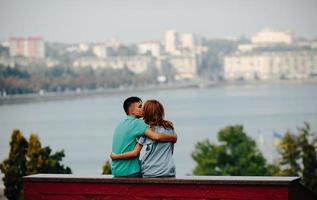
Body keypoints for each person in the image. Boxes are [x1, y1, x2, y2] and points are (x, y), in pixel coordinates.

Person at [111, 97, 177, 177]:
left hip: (117, 171)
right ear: (131, 110)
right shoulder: (141, 125)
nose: (143, 110)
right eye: (140, 107)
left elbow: (135, 151)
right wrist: (173, 138)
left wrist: (115, 156)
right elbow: (160, 140)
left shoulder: (121, 124)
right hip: (166, 170)